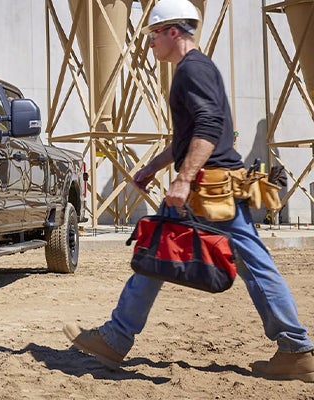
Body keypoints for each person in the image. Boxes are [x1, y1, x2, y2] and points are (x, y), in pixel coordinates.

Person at [62, 0, 314, 382]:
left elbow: (211, 128)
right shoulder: (197, 68)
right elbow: (190, 134)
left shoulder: (191, 70)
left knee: (249, 264)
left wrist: (182, 179)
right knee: (157, 250)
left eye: (153, 35)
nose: (149, 44)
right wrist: (155, 166)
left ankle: (295, 348)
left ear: (173, 32)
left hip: (212, 188)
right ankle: (116, 337)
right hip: (210, 182)